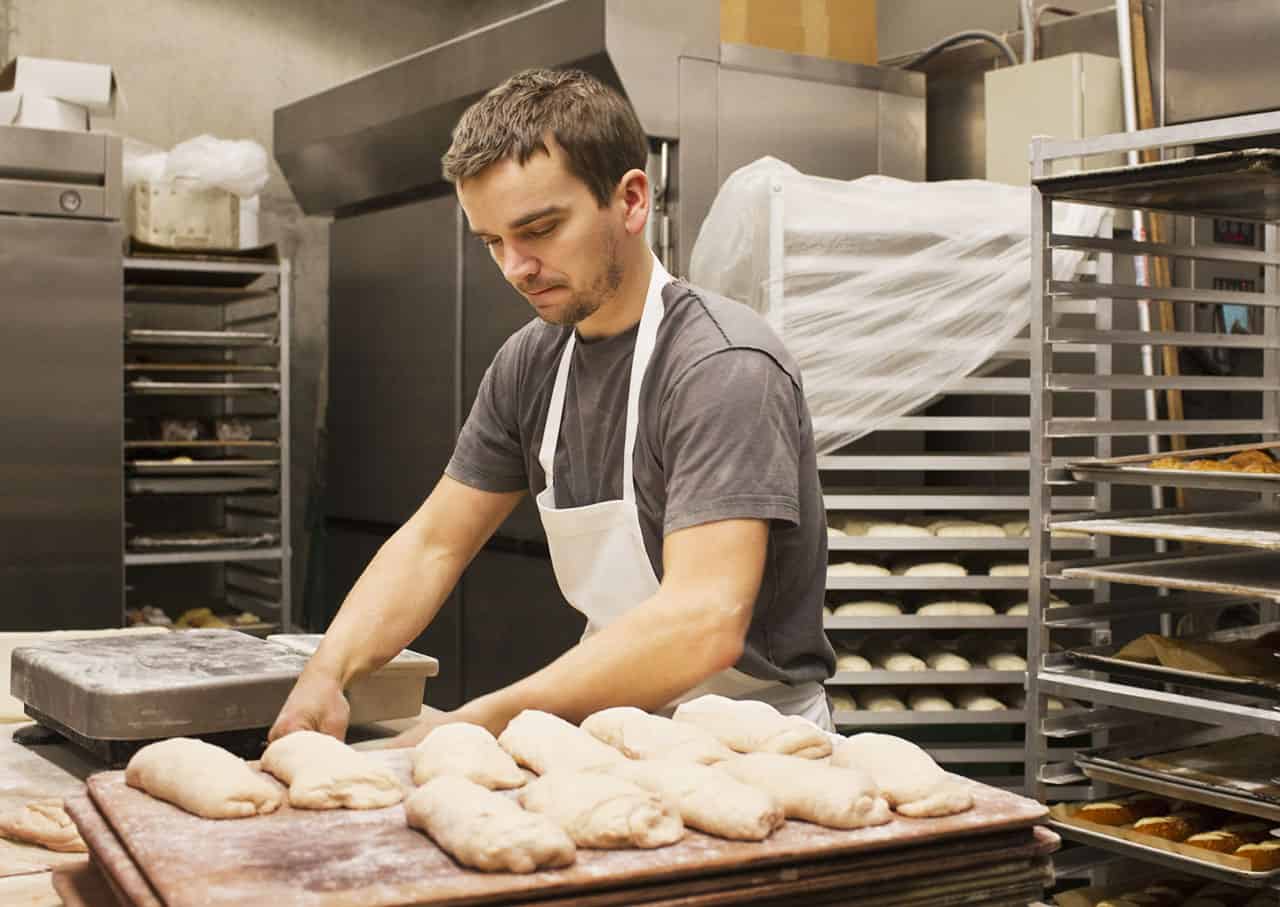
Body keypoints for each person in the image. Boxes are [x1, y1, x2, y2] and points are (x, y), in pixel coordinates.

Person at [269, 67, 835, 747]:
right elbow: (433, 543)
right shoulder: (531, 364)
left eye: (538, 230)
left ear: (630, 201)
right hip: (613, 725)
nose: (515, 267)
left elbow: (704, 619)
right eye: (492, 243)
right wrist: (328, 672)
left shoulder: (720, 365)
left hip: (759, 745)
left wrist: (486, 717)